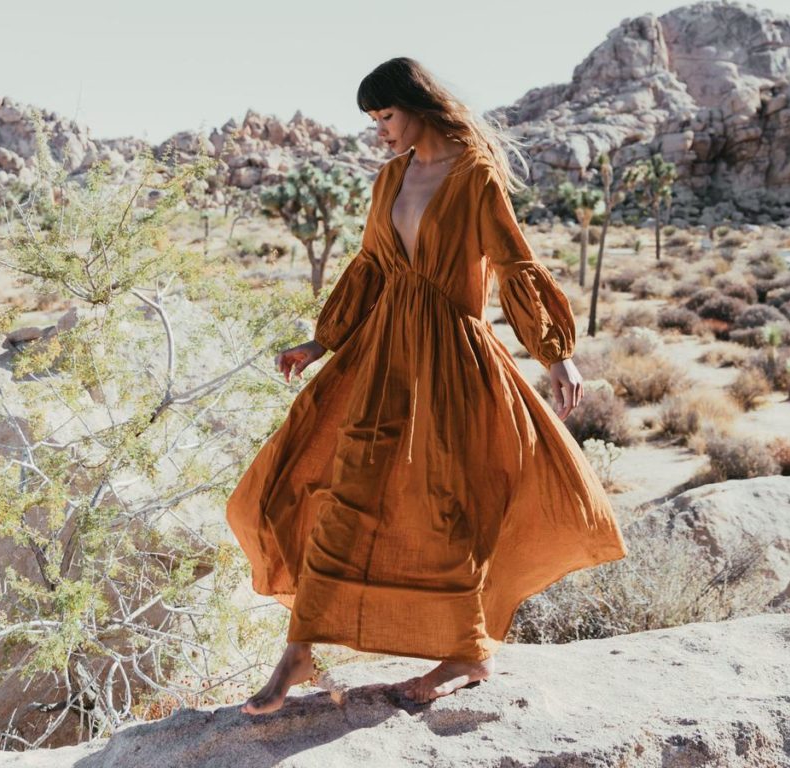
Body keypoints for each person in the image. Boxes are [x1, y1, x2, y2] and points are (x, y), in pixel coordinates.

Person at [226, 56, 628, 714]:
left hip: (453, 358)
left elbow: (512, 261)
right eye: (373, 120)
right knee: (342, 491)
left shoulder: (473, 174)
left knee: (451, 504)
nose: (379, 130)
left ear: (420, 107)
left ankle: (467, 655)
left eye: (386, 115)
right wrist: (320, 341)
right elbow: (370, 270)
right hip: (384, 356)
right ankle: (298, 653)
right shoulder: (389, 179)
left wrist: (554, 355)